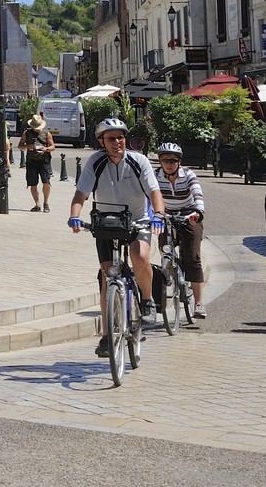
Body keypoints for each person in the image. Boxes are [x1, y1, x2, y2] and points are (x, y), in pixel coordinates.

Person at [69, 117, 167, 354]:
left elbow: (154, 192)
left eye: (121, 137)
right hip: (106, 223)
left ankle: (147, 300)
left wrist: (158, 214)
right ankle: (106, 335)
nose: (117, 142)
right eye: (111, 138)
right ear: (101, 141)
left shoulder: (138, 160)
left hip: (138, 221)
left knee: (139, 255)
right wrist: (74, 216)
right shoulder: (95, 162)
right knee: (106, 275)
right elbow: (81, 193)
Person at [153, 142, 207, 317]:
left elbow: (197, 193)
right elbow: (147, 195)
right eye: (165, 160)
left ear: (179, 161)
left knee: (193, 257)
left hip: (189, 216)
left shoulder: (188, 174)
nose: (169, 164)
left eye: (173, 160)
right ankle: (170, 269)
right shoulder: (155, 176)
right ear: (160, 161)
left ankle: (198, 303)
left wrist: (198, 212)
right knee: (165, 248)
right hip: (166, 216)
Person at [20, 113, 55, 212]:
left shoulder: (47, 133)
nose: (36, 129)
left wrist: (46, 148)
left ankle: (46, 203)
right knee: (33, 183)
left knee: (46, 182)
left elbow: (53, 147)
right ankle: (37, 204)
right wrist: (28, 146)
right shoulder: (26, 133)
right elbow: (20, 146)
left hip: (44, 161)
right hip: (31, 161)